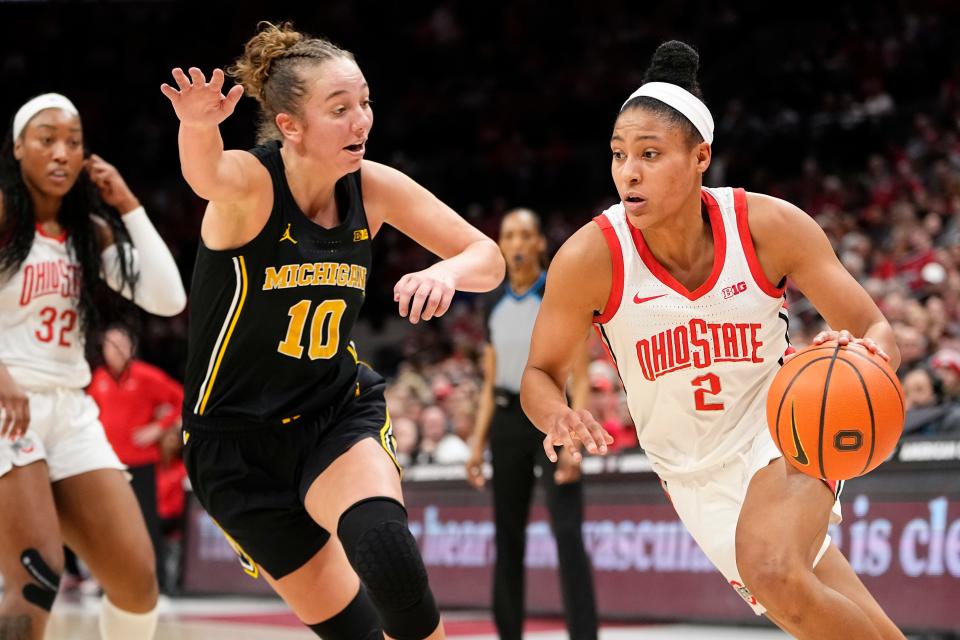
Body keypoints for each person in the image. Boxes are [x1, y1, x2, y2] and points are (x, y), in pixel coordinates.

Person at [520, 41, 906, 640]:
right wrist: (556, 416)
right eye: (619, 154)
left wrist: (861, 354)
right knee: (810, 605)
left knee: (773, 569)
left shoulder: (768, 225)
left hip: (782, 431)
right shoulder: (591, 256)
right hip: (688, 470)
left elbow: (876, 327)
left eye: (650, 154)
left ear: (701, 157)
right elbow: (538, 375)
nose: (629, 171)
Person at [159, 21, 503, 640]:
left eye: (365, 103)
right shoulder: (253, 188)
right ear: (290, 125)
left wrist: (448, 272)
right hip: (234, 447)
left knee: (389, 558)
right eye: (340, 109)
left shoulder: (373, 187)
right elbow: (207, 176)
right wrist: (197, 125)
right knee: (356, 631)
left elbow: (488, 257)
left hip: (332, 412)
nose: (361, 121)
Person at [0, 93, 186, 639]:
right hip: (8, 408)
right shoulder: (5, 214)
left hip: (71, 411)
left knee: (136, 580)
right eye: (47, 139)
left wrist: (128, 204)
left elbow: (168, 297)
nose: (62, 153)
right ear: (17, 149)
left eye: (74, 143)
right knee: (36, 575)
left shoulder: (90, 233)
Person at [465, 208, 598, 640]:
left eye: (525, 235)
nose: (517, 243)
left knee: (567, 534)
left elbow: (579, 372)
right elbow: (489, 381)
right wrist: (475, 444)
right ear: (501, 245)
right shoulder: (492, 303)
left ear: (540, 243)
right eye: (509, 236)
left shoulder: (558, 293)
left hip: (553, 419)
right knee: (507, 538)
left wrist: (574, 442)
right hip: (506, 422)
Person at [87, 323, 185, 592]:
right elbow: (87, 412)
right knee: (109, 525)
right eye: (109, 344)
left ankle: (159, 585)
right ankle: (108, 585)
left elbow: (182, 399)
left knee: (146, 525)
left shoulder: (146, 376)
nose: (115, 350)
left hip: (141, 464)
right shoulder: (99, 379)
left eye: (120, 344)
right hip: (109, 464)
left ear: (131, 348)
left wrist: (158, 428)